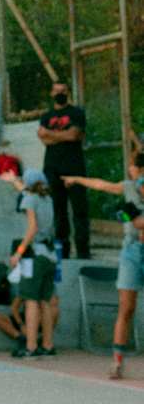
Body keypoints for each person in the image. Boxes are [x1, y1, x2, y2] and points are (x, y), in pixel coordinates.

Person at [62, 145, 144, 380]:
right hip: (132, 248)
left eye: (132, 166)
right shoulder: (129, 187)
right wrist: (77, 179)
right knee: (126, 306)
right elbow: (102, 185)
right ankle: (117, 360)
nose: (129, 170)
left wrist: (135, 219)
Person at [0, 168, 57, 358]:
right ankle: (48, 345)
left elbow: (32, 229)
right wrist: (12, 181)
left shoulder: (29, 200)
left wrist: (18, 252)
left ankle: (31, 346)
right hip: (50, 255)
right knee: (45, 301)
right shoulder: (47, 200)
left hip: (35, 256)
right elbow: (24, 190)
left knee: (31, 300)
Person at [39, 81, 90, 259]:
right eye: (57, 91)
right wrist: (65, 136)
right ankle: (63, 252)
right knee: (59, 212)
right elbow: (43, 139)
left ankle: (83, 251)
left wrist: (51, 134)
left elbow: (74, 134)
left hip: (74, 167)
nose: (60, 93)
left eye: (63, 91)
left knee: (80, 211)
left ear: (67, 93)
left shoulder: (77, 113)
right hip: (52, 168)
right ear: (51, 94)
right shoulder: (46, 116)